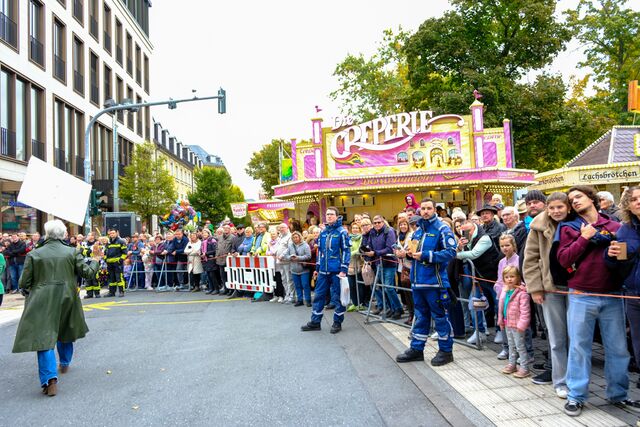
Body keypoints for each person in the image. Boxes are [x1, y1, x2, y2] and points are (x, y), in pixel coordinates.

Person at [557, 185, 639, 417]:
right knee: (579, 348)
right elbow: (564, 259)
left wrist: (618, 257)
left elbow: (624, 262)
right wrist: (584, 238)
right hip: (581, 294)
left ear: (592, 198)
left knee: (618, 349)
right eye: (571, 200)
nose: (574, 201)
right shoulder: (569, 227)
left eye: (578, 196)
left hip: (612, 294)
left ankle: (618, 394)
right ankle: (576, 396)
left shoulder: (616, 226)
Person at [12, 220, 101, 396]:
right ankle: (65, 363)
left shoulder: (35, 253)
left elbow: (23, 282)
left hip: (41, 299)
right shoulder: (72, 252)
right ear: (63, 234)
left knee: (43, 338)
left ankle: (50, 379)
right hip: (67, 297)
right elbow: (88, 273)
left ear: (47, 234)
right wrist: (96, 260)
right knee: (66, 329)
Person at [395, 198, 457, 366]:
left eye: (429, 208)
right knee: (420, 317)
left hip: (435, 283)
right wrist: (408, 254)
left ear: (435, 210)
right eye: (423, 208)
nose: (426, 211)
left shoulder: (442, 228)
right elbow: (415, 254)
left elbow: (451, 252)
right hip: (417, 282)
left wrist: (426, 255)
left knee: (440, 317)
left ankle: (446, 351)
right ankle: (417, 349)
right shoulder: (418, 231)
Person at [523, 191, 572, 398]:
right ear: (547, 209)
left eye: (560, 207)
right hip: (551, 288)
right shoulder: (538, 226)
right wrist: (535, 288)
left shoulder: (578, 222)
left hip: (576, 287)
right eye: (552, 208)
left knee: (577, 338)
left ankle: (577, 379)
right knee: (557, 338)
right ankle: (561, 381)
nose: (556, 211)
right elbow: (530, 259)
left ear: (568, 207)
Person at [606, 186, 640, 392]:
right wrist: (610, 255)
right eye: (634, 199)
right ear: (628, 205)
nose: (638, 202)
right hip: (633, 295)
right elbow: (616, 264)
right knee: (638, 342)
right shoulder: (624, 230)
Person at [301, 207, 350, 334]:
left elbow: (346, 251)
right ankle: (315, 322)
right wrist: (317, 268)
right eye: (327, 214)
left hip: (337, 271)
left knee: (338, 297)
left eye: (331, 214)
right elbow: (320, 252)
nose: (329, 216)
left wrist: (343, 269)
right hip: (323, 270)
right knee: (318, 296)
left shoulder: (342, 232)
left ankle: (337, 322)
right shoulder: (323, 233)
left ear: (337, 216)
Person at [456, 218, 501, 344]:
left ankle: (500, 331)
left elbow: (474, 254)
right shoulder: (466, 240)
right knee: (475, 304)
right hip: (478, 278)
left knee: (498, 305)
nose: (466, 234)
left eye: (468, 231)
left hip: (493, 278)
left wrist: (455, 254)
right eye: (463, 231)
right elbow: (466, 256)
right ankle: (479, 332)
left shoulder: (484, 238)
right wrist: (459, 247)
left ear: (474, 227)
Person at [362, 215, 403, 319]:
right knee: (383, 288)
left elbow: (390, 248)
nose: (377, 224)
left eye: (379, 222)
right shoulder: (372, 232)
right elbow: (370, 245)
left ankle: (398, 308)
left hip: (389, 263)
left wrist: (375, 253)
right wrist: (367, 251)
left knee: (389, 288)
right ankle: (391, 308)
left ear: (383, 222)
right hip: (378, 263)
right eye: (375, 223)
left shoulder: (389, 231)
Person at [497, 266, 531, 378]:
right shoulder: (505, 291)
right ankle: (512, 364)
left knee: (520, 346)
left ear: (518, 278)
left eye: (512, 276)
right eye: (506, 277)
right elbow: (501, 306)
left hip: (517, 325)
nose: (509, 279)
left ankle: (524, 368)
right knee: (511, 345)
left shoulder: (522, 293)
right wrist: (501, 320)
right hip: (508, 322)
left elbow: (525, 311)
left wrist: (522, 324)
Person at [494, 234, 520, 350]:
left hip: (516, 296)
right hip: (503, 297)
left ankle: (523, 350)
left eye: (507, 245)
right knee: (503, 322)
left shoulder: (518, 260)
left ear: (513, 245)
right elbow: (499, 280)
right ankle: (506, 348)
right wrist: (499, 292)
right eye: (502, 246)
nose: (505, 248)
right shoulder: (501, 262)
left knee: (517, 324)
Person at [395, 218, 415, 325]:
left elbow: (413, 250)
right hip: (403, 267)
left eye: (404, 224)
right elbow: (397, 249)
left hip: (411, 267)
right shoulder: (399, 237)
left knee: (413, 293)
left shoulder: (411, 235)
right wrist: (397, 252)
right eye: (401, 224)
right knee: (406, 293)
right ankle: (411, 315)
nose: (403, 226)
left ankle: (415, 316)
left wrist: (405, 254)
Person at [286, 231, 311, 306]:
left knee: (305, 285)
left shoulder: (305, 245)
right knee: (297, 286)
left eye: (296, 237)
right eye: (293, 237)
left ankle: (308, 300)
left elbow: (308, 256)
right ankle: (300, 300)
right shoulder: (290, 246)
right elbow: (286, 255)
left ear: (300, 237)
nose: (295, 239)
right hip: (294, 269)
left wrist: (298, 258)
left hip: (304, 269)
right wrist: (290, 257)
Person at [104, 227, 127, 297]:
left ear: (116, 233)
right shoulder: (108, 242)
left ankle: (121, 291)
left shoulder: (121, 241)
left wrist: (120, 260)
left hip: (117, 263)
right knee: (111, 278)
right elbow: (105, 252)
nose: (112, 234)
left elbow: (125, 253)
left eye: (113, 233)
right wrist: (105, 259)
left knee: (119, 278)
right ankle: (112, 292)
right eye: (110, 233)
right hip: (109, 263)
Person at [347, 222, 364, 312]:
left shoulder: (362, 238)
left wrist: (351, 253)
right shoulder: (348, 238)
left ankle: (361, 303)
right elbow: (346, 250)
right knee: (351, 285)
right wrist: (353, 253)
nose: (355, 229)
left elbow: (360, 249)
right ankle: (355, 303)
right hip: (350, 265)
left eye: (357, 228)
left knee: (360, 285)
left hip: (359, 265)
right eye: (353, 228)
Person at [276, 223, 294, 303]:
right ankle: (287, 294)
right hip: (280, 261)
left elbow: (289, 248)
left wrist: (282, 255)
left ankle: (291, 296)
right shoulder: (280, 237)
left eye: (283, 227)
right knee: (283, 279)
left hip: (287, 261)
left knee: (289, 279)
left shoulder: (290, 236)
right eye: (280, 228)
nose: (281, 229)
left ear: (287, 228)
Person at [201, 229, 219, 295]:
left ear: (209, 233)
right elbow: (202, 250)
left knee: (212, 275)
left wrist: (206, 253)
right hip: (205, 260)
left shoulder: (212, 240)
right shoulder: (203, 241)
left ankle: (216, 289)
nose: (204, 234)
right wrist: (201, 254)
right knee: (208, 276)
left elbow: (214, 250)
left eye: (206, 233)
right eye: (203, 233)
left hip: (211, 259)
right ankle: (211, 288)